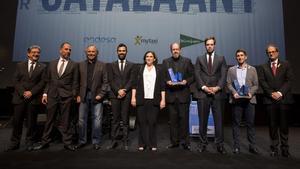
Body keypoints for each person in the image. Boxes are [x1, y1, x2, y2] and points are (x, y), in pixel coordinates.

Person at [34, 42, 79, 151]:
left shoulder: (74, 64)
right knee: (49, 120)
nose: (68, 51)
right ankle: (45, 142)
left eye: (70, 50)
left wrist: (73, 95)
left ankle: (67, 143)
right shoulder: (52, 63)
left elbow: (75, 82)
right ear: (60, 50)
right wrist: (45, 93)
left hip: (66, 96)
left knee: (66, 121)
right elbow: (47, 81)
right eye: (66, 49)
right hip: (52, 95)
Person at [5, 45, 46, 152]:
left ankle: (30, 142)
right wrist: (23, 92)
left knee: (31, 123)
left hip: (33, 99)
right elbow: (15, 80)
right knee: (17, 122)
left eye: (38, 52)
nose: (36, 54)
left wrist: (31, 92)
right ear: (28, 54)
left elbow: (42, 82)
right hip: (20, 98)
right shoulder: (20, 65)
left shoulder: (42, 67)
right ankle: (14, 143)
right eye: (33, 52)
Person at [259, 44, 294, 157]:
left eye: (273, 51)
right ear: (267, 54)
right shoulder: (263, 67)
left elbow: (289, 80)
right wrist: (271, 93)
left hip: (283, 99)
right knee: (272, 125)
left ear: (277, 52)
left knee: (284, 125)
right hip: (270, 100)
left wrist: (280, 93)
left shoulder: (286, 64)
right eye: (269, 52)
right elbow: (262, 82)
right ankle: (274, 148)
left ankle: (285, 148)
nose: (271, 53)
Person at [194, 36, 227, 154]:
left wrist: (217, 88)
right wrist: (204, 87)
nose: (209, 46)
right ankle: (203, 144)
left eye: (211, 44)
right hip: (203, 94)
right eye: (207, 44)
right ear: (205, 46)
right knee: (202, 121)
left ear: (214, 45)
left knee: (219, 121)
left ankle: (220, 145)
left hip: (217, 95)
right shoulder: (199, 58)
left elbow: (223, 75)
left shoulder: (221, 58)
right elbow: (197, 74)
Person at [75, 45, 109, 150]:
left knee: (97, 120)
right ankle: (82, 141)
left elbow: (105, 82)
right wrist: (77, 95)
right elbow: (76, 82)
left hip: (97, 96)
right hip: (83, 96)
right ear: (86, 52)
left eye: (93, 51)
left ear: (97, 53)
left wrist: (101, 94)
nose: (91, 53)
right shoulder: (80, 65)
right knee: (81, 120)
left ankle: (96, 141)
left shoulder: (102, 65)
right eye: (89, 51)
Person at [131, 51, 166, 151]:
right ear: (145, 58)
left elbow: (162, 86)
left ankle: (152, 144)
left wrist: (163, 100)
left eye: (151, 56)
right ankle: (142, 144)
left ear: (154, 59)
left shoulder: (159, 70)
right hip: (141, 99)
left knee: (152, 122)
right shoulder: (140, 69)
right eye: (147, 56)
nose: (149, 58)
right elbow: (134, 85)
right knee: (141, 122)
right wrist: (133, 97)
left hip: (154, 100)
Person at [162, 42, 194, 150]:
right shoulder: (165, 62)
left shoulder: (187, 61)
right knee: (172, 121)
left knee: (184, 120)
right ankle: (174, 142)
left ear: (180, 50)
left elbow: (192, 76)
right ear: (171, 50)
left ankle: (185, 142)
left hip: (183, 95)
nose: (175, 51)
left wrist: (186, 81)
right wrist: (167, 82)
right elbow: (163, 77)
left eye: (177, 49)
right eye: (173, 49)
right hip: (171, 96)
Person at [227, 49, 259, 154]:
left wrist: (251, 93)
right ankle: (236, 146)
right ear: (236, 57)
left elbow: (256, 85)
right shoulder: (231, 70)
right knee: (236, 124)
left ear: (246, 57)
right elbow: (228, 84)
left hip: (249, 100)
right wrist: (234, 92)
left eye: (241, 55)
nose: (240, 57)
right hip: (237, 100)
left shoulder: (252, 69)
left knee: (250, 124)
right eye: (238, 56)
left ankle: (252, 146)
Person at [107, 43, 135, 150]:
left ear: (126, 52)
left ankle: (125, 142)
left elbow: (131, 80)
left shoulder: (131, 65)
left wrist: (124, 90)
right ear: (117, 52)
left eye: (123, 50)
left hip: (126, 96)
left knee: (125, 119)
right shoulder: (111, 65)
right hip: (115, 95)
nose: (121, 52)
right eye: (120, 51)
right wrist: (118, 90)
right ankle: (114, 141)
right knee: (115, 119)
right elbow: (111, 80)